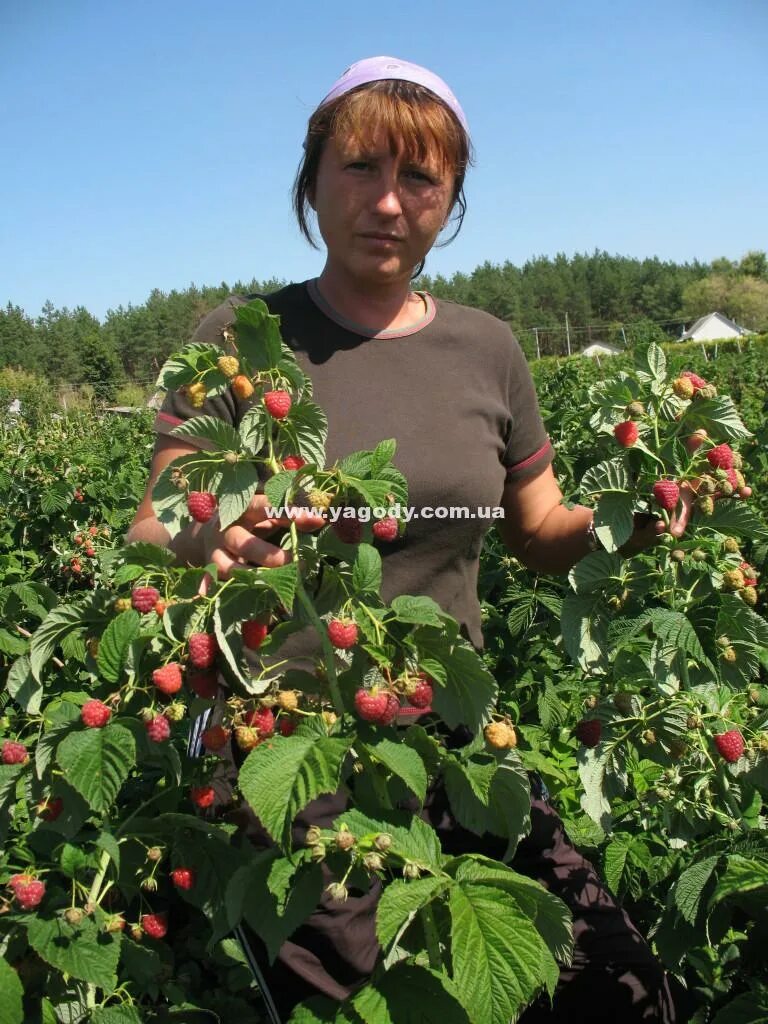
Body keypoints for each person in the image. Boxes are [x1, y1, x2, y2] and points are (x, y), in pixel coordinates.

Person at [127, 56, 684, 1022]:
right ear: (311, 181)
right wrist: (208, 535)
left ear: (453, 199)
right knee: (358, 995)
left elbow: (541, 532)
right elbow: (158, 515)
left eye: (420, 178)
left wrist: (628, 524)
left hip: (448, 723)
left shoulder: (488, 348)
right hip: (291, 737)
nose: (388, 202)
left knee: (617, 987)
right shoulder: (243, 337)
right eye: (361, 168)